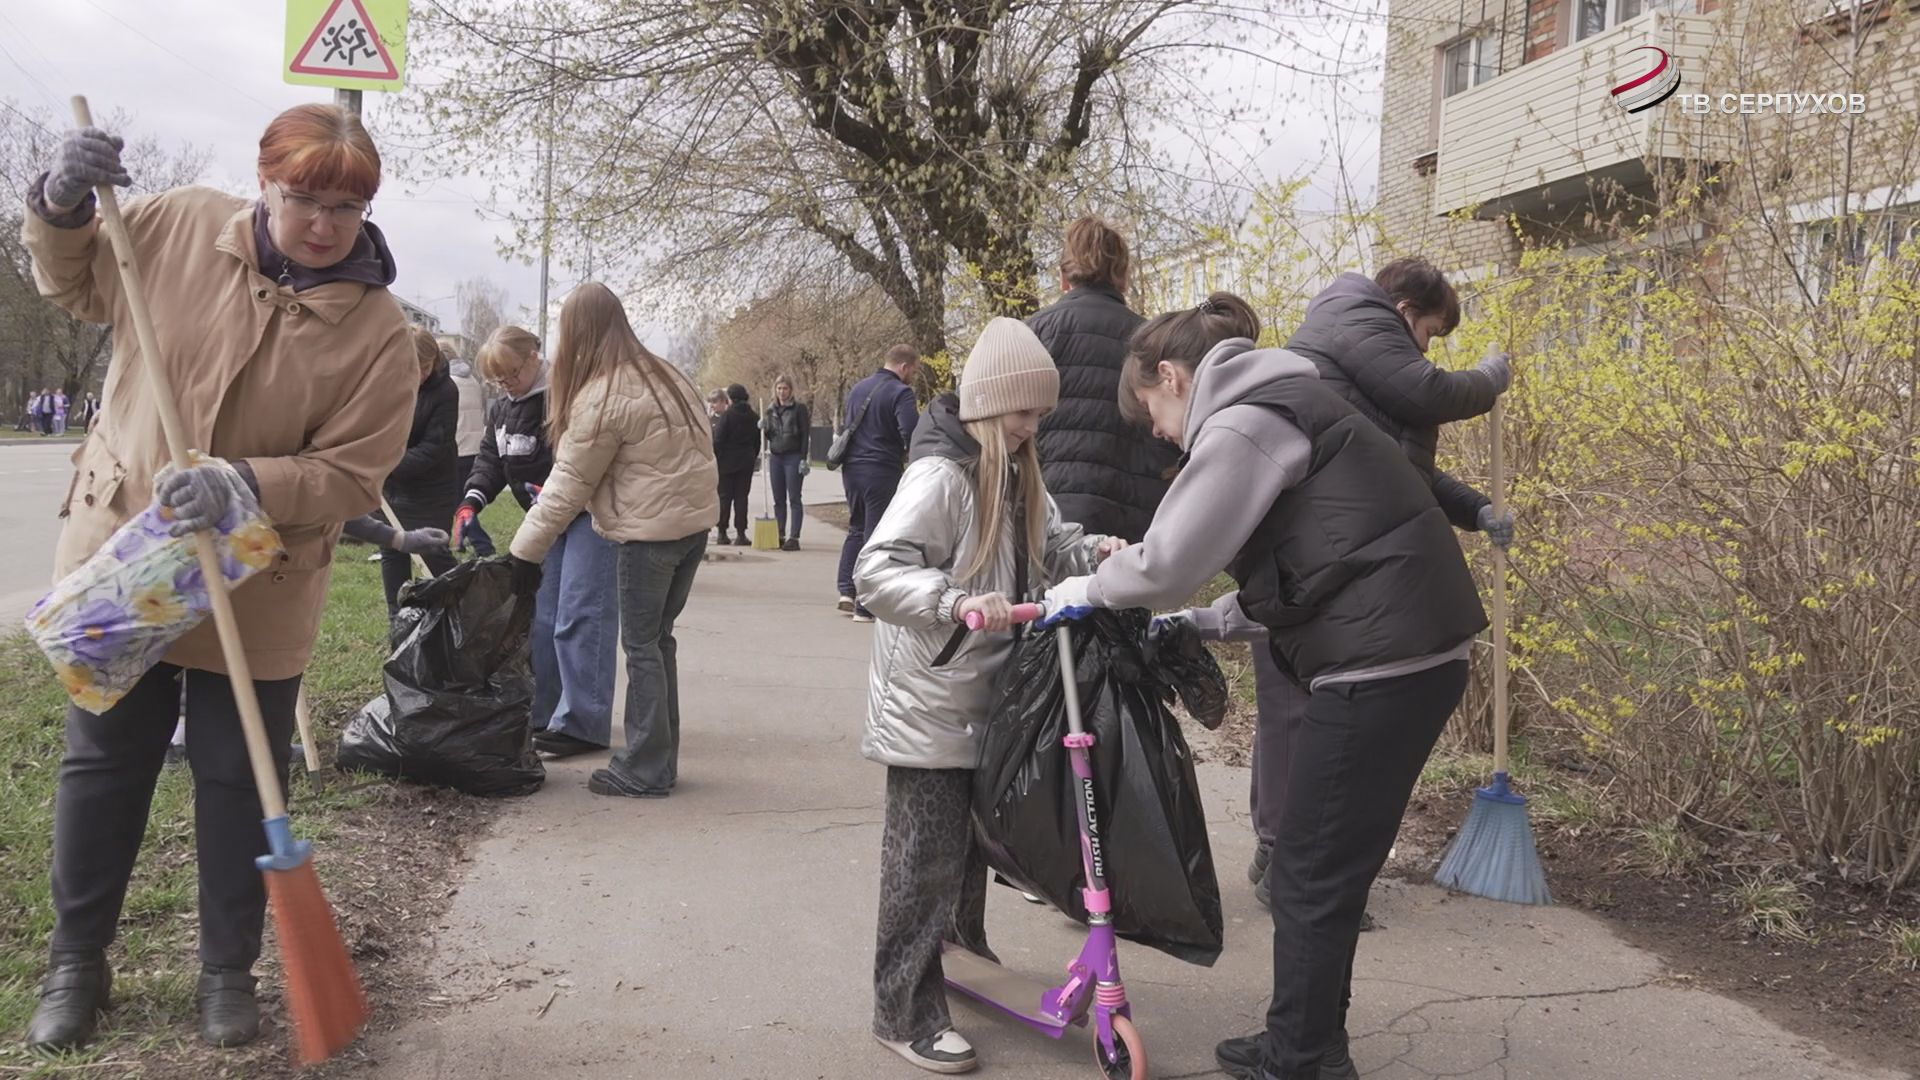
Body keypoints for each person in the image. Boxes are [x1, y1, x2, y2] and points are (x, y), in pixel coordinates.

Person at [21, 104, 418, 1052]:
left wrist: (246, 482)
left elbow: (354, 473)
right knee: (103, 766)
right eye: (305, 199)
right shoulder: (176, 226)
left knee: (240, 779)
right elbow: (74, 280)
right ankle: (77, 963)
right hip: (132, 559)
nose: (324, 224)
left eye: (347, 207)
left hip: (258, 584)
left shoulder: (378, 332)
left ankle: (225, 972)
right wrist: (62, 203)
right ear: (264, 183)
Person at [1039, 294, 1487, 1080]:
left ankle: (1301, 1058)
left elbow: (1168, 561)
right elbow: (1309, 574)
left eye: (1151, 411)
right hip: (1411, 655)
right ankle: (1304, 1044)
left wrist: (1087, 590)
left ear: (1172, 377)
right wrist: (1199, 625)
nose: (1158, 432)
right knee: (1325, 871)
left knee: (1306, 871)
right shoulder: (1286, 404)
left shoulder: (1244, 420)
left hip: (1380, 666)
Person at [856, 317, 1122, 1075]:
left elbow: (1051, 547)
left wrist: (1097, 551)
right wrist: (953, 601)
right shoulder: (942, 476)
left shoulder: (1018, 471)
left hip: (989, 694)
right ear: (988, 404)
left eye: (1039, 414)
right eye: (1023, 412)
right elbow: (877, 569)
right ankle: (902, 1010)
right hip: (932, 697)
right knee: (923, 860)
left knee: (969, 848)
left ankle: (958, 952)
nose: (1032, 426)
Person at [1237, 259, 1514, 910]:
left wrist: (1477, 510)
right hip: (1318, 558)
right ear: (1405, 310)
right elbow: (1430, 393)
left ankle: (1281, 857)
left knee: (1300, 712)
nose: (1428, 349)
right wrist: (1488, 380)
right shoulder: (1356, 320)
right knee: (1301, 714)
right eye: (1431, 331)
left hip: (1332, 554)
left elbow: (1398, 469)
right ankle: (1290, 870)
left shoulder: (1360, 354)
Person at [506, 283, 719, 799]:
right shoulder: (667, 375)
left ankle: (644, 769)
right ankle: (660, 761)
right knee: (658, 642)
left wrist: (520, 556)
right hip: (690, 531)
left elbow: (566, 486)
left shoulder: (603, 396)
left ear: (577, 333)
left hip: (649, 538)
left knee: (643, 648)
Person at [461, 324, 618, 759]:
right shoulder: (502, 409)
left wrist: (553, 492)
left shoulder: (565, 397)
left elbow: (584, 458)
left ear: (534, 357)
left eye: (512, 374)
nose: (507, 385)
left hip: (587, 515)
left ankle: (584, 723)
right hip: (544, 520)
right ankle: (546, 715)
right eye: (498, 380)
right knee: (544, 619)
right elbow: (491, 460)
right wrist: (471, 501)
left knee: (580, 614)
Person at [1028, 215, 1180, 544]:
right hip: (1134, 528)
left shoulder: (1032, 335)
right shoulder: (1153, 342)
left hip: (1049, 522)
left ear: (1063, 278)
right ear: (1123, 277)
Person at [378, 327, 462, 613]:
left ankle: (455, 613)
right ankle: (399, 623)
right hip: (393, 488)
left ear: (434, 360)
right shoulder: (386, 385)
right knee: (392, 552)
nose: (420, 374)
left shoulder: (446, 391)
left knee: (433, 554)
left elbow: (434, 448)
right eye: (412, 368)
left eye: (425, 367)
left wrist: (386, 464)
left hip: (431, 490)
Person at [837, 344, 921, 622]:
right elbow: (911, 431)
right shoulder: (901, 392)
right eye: (913, 371)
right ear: (904, 367)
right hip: (881, 469)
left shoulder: (858, 389)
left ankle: (846, 591)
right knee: (875, 535)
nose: (912, 376)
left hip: (852, 469)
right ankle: (865, 605)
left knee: (856, 527)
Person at [447, 353, 496, 556]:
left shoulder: (449, 383)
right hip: (474, 447)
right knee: (462, 497)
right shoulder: (472, 381)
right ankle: (459, 539)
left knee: (459, 502)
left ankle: (482, 545)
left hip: (458, 447)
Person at [762, 374, 810, 551]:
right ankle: (780, 534)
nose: (782, 392)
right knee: (778, 499)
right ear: (775, 390)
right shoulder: (770, 410)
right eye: (779, 388)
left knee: (794, 498)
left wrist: (803, 458)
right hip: (776, 457)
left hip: (793, 456)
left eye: (785, 388)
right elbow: (770, 436)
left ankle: (794, 537)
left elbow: (805, 434)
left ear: (790, 390)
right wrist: (764, 428)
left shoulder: (799, 409)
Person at [711, 383, 760, 546]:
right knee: (741, 497)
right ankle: (741, 533)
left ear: (730, 398)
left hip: (726, 462)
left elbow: (718, 439)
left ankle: (722, 532)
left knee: (724, 497)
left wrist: (717, 457)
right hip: (746, 461)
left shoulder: (727, 416)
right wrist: (752, 456)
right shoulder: (754, 417)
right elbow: (757, 442)